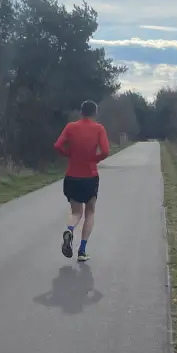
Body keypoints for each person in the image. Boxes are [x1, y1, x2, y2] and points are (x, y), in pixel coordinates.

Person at [54, 100, 110, 262]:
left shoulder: (70, 127)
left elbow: (58, 145)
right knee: (90, 212)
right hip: (90, 176)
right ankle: (82, 251)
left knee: (76, 212)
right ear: (94, 113)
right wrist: (95, 159)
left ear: (81, 112)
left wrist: (69, 155)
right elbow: (105, 151)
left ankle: (70, 230)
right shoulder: (99, 129)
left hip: (72, 175)